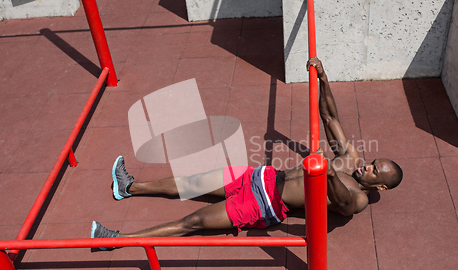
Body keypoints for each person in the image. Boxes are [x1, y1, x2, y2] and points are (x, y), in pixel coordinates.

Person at [91, 57, 403, 242]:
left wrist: (324, 168)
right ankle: (128, 187)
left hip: (265, 204)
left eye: (375, 171)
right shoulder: (349, 158)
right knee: (190, 182)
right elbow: (330, 117)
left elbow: (342, 199)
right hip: (261, 176)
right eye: (374, 162)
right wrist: (323, 77)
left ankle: (117, 240)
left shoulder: (360, 199)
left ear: (381, 188)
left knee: (194, 222)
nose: (367, 166)